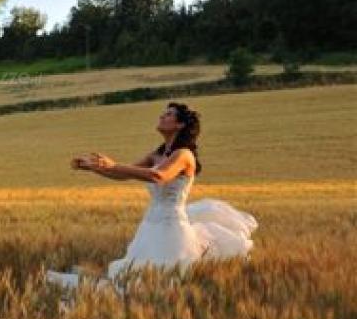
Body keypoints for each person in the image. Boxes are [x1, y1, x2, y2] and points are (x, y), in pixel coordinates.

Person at [46, 102, 258, 291]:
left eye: (168, 114)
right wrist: (94, 168)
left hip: (171, 227)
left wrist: (114, 164)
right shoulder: (156, 154)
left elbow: (159, 176)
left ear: (180, 125)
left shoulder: (184, 155)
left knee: (163, 282)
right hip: (150, 226)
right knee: (134, 278)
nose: (161, 117)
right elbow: (123, 174)